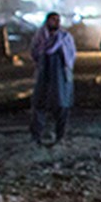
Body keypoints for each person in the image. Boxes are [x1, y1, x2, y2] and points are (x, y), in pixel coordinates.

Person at [30, 12, 76, 145]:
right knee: (39, 104)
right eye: (53, 20)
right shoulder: (40, 36)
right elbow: (34, 52)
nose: (55, 22)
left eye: (57, 20)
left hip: (61, 75)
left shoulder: (65, 37)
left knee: (62, 105)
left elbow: (71, 55)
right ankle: (36, 136)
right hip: (44, 74)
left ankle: (60, 135)